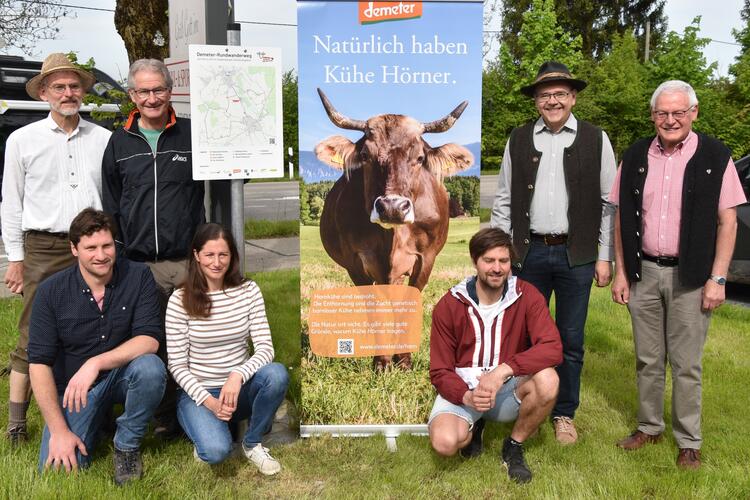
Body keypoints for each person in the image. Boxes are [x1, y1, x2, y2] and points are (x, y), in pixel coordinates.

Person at [610, 80, 746, 469]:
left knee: (686, 363)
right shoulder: (635, 154)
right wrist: (622, 273)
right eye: (662, 113)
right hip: (645, 273)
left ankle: (689, 441)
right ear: (653, 116)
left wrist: (718, 279)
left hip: (692, 277)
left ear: (694, 113)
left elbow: (728, 221)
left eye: (678, 113)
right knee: (647, 359)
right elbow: (622, 217)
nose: (670, 120)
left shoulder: (717, 156)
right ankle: (648, 428)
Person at [490, 61, 617, 444]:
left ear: (573, 97)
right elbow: (503, 200)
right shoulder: (519, 138)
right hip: (528, 255)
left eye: (560, 93)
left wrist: (604, 254)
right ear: (536, 102)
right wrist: (502, 253)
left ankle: (564, 414)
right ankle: (524, 403)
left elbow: (609, 204)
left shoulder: (597, 138)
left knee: (570, 338)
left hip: (574, 255)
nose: (553, 100)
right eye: (545, 95)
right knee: (524, 338)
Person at [1, 53, 111, 444]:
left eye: (74, 86)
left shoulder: (103, 139)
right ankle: (17, 423)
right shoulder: (22, 140)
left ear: (83, 91)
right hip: (44, 246)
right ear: (45, 92)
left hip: (93, 245)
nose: (68, 93)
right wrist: (16, 258)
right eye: (59, 87)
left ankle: (97, 410)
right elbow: (10, 202)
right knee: (33, 333)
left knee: (98, 329)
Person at [102, 58, 205, 436]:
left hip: (184, 260)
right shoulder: (119, 142)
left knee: (191, 339)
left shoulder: (192, 135)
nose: (151, 97)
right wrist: (117, 253)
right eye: (143, 91)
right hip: (139, 263)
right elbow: (111, 203)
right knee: (151, 341)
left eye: (158, 89)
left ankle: (190, 409)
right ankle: (159, 414)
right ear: (132, 95)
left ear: (170, 90)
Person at [27, 208, 166, 485]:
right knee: (59, 470)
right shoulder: (50, 292)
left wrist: (96, 362)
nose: (101, 255)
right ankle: (97, 423)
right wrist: (59, 431)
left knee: (151, 369)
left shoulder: (138, 276)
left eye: (107, 245)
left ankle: (126, 444)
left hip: (123, 375)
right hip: (75, 390)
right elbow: (39, 363)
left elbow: (149, 340)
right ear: (74, 249)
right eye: (91, 247)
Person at [428, 228, 562, 484]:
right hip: (466, 389)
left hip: (507, 389)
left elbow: (552, 346)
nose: (497, 268)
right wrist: (466, 395)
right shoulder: (451, 304)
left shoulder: (526, 295)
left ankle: (514, 445)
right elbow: (440, 370)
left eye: (503, 261)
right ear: (475, 261)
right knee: (445, 444)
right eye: (488, 260)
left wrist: (503, 371)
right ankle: (473, 426)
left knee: (549, 380)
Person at [165, 223, 289, 474]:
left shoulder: (249, 290)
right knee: (215, 452)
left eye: (223, 254)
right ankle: (206, 432)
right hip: (199, 394)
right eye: (209, 255)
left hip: (239, 388)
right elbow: (176, 365)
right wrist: (210, 402)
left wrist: (238, 374)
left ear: (232, 256)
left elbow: (265, 348)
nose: (217, 262)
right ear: (197, 256)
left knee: (276, 374)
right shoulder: (179, 299)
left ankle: (252, 442)